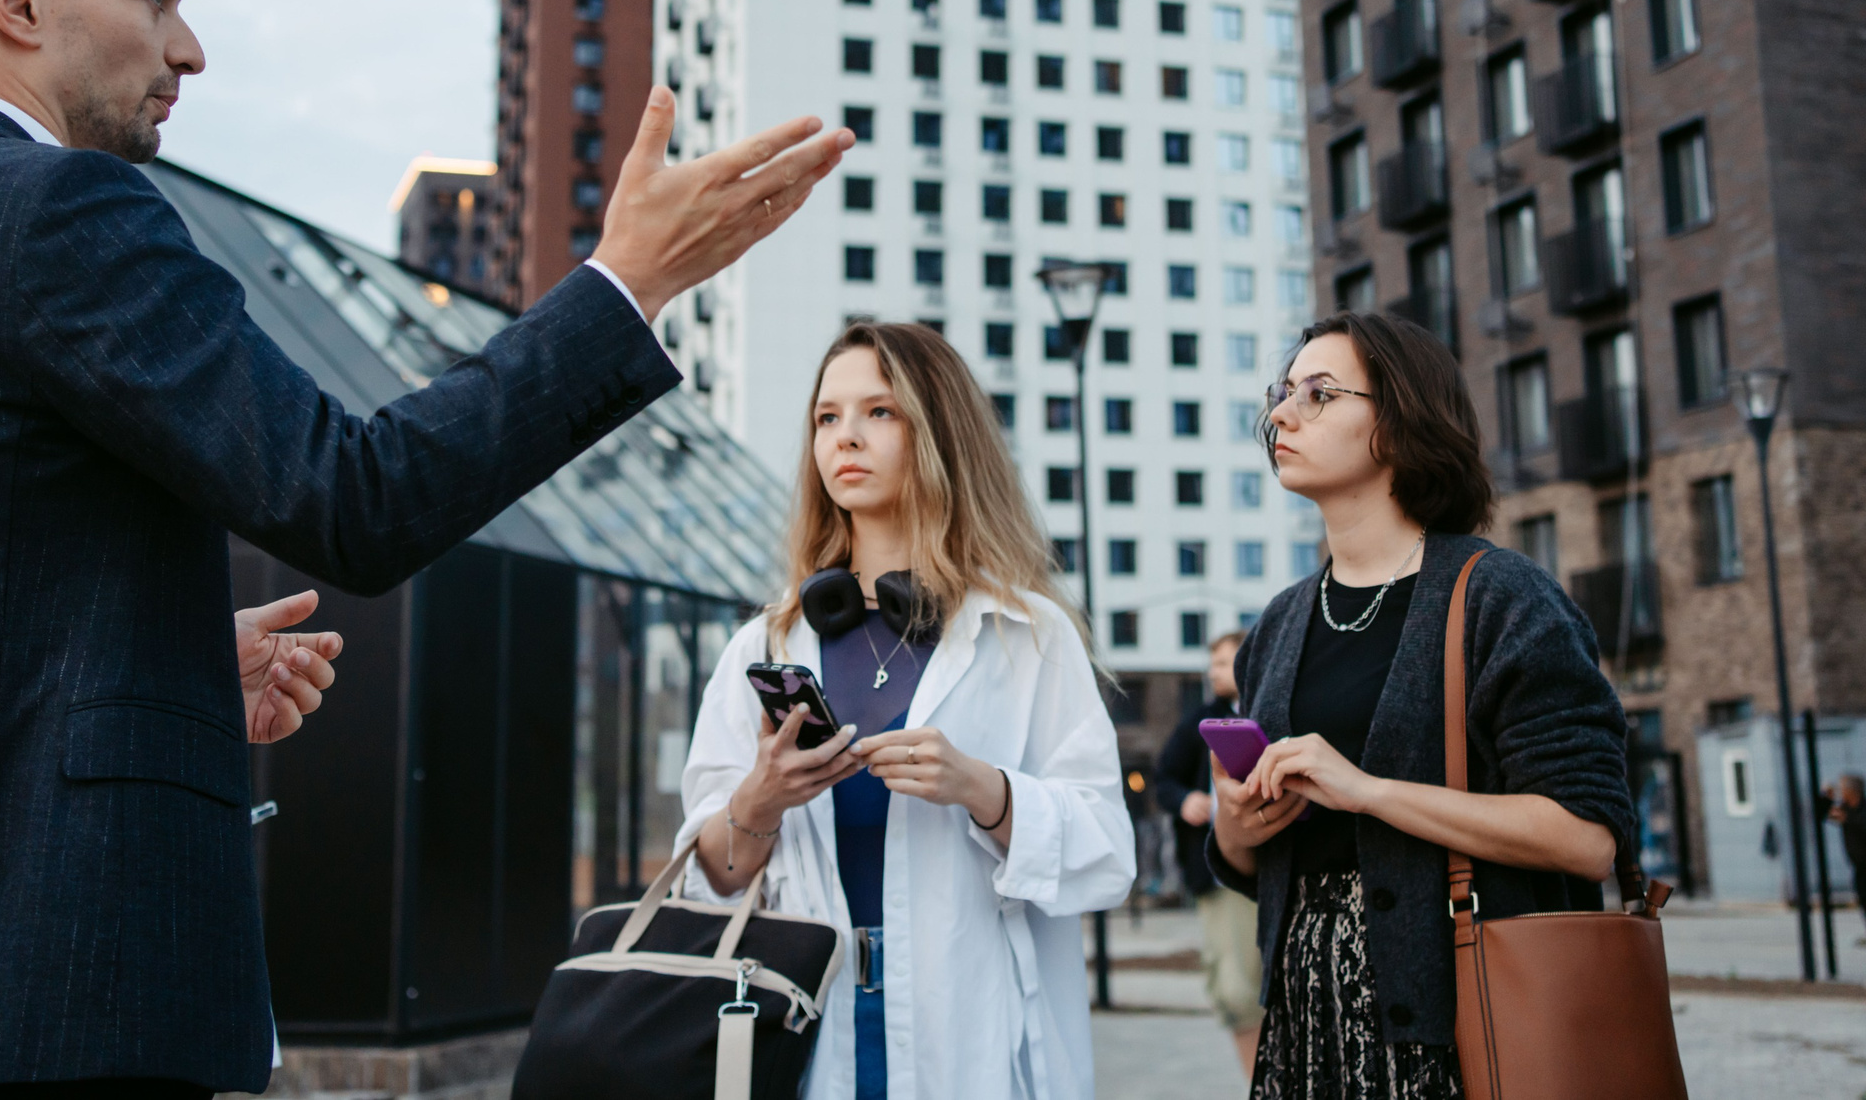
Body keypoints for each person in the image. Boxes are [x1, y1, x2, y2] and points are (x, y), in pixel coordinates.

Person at [0, 0, 848, 1100]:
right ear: (15, 0)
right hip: (42, 1018)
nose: (188, 48)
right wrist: (628, 285)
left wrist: (169, 665)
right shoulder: (59, 213)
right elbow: (355, 497)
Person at [671, 322, 1133, 1100]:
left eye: (879, 411)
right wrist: (762, 798)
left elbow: (1107, 856)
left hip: (972, 1037)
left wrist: (985, 789)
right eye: (827, 417)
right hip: (808, 1033)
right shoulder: (766, 642)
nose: (845, 436)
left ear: (939, 431)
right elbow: (712, 877)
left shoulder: (1027, 632)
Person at [1209, 312, 1633, 1100]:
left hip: (1464, 1024)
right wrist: (1236, 828)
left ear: (1401, 420)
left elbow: (1587, 838)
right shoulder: (1278, 624)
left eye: (1320, 393)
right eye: (1282, 393)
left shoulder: (1503, 599)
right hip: (1306, 1030)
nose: (1281, 414)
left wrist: (1367, 791)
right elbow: (1257, 867)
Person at [1154, 628, 1265, 1075]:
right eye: (1213, 663)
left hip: (1282, 872)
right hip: (1222, 875)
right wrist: (1185, 800)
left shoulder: (1278, 704)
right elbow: (1164, 779)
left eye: (1223, 662)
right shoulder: (1200, 720)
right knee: (1239, 993)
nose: (1213, 671)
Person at [1824, 774, 1866, 940]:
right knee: (1864, 900)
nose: (1841, 792)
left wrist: (1849, 821)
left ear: (1851, 791)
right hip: (1859, 867)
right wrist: (1826, 798)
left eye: (1843, 789)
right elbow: (1826, 814)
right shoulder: (1845, 809)